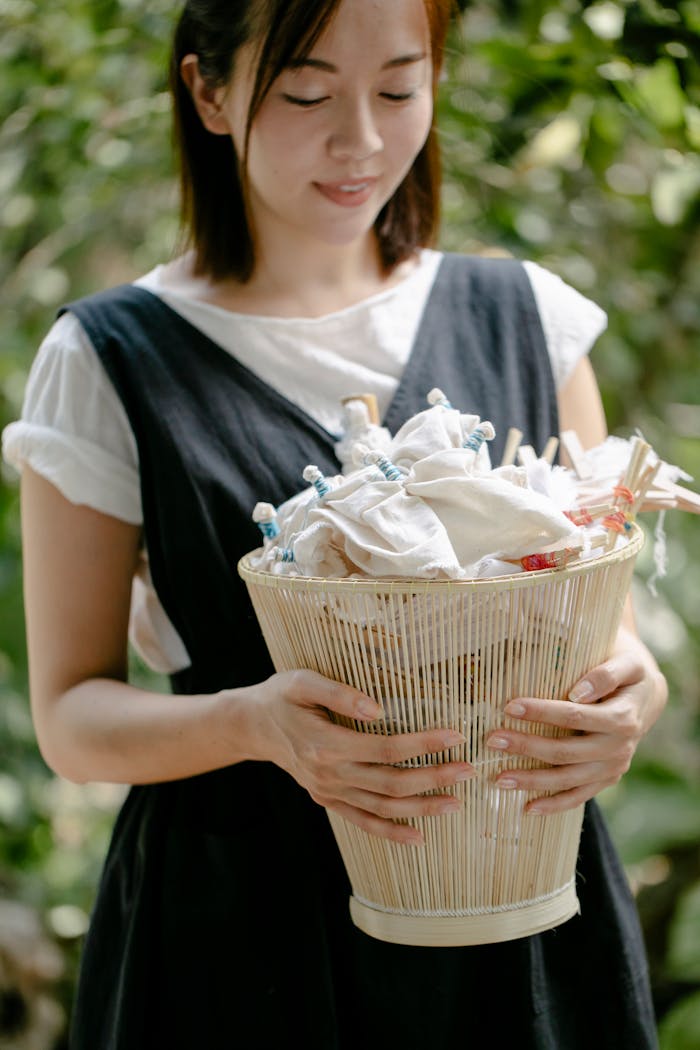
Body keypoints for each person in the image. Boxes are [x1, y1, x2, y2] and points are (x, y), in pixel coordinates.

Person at [3, 1, 668, 1047]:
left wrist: (632, 693)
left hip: (513, 913)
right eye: (307, 93)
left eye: (400, 89)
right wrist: (252, 723)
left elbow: (597, 624)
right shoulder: (108, 360)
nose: (361, 139)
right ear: (208, 93)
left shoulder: (529, 319)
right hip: (236, 928)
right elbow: (72, 718)